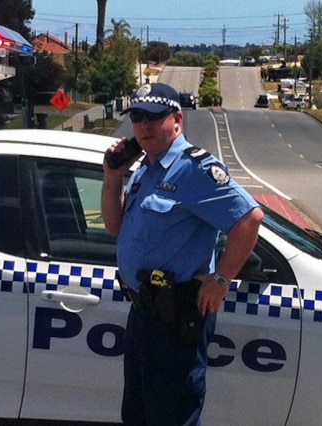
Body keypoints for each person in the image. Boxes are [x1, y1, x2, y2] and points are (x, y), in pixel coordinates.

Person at [102, 82, 264, 426]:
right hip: (144, 312)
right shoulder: (146, 166)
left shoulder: (194, 169)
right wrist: (113, 177)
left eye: (154, 117)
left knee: (171, 417)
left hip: (175, 321)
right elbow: (115, 226)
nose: (144, 125)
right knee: (139, 415)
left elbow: (249, 219)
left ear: (177, 120)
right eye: (138, 117)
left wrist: (221, 280)